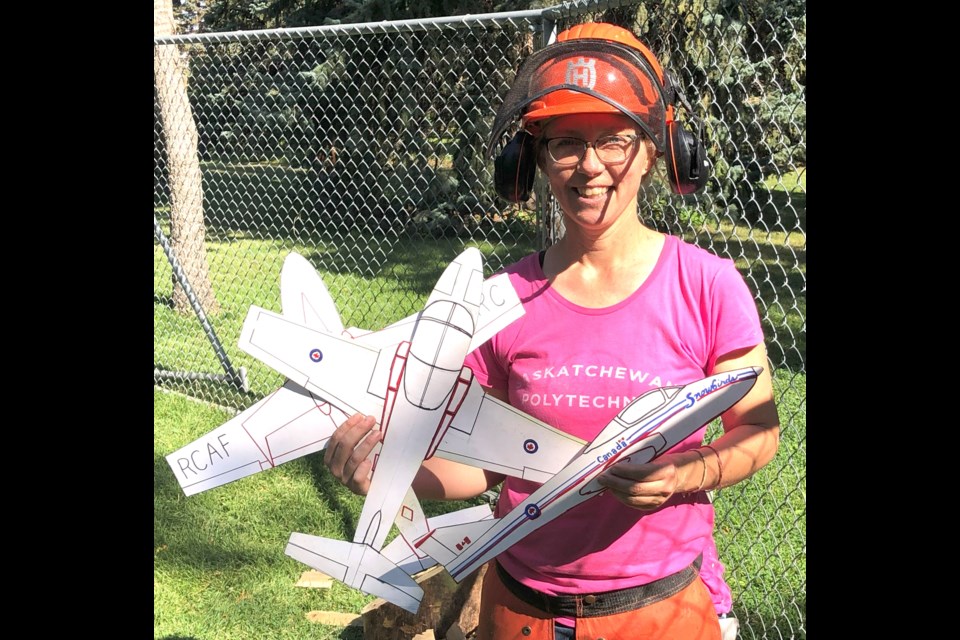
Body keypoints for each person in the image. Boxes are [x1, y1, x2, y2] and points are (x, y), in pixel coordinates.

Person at [323, 22, 779, 640]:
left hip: (663, 606)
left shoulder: (707, 286)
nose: (590, 167)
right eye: (565, 143)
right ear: (532, 162)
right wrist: (387, 473)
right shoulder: (503, 300)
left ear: (656, 150)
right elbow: (483, 468)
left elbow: (756, 430)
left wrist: (686, 473)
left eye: (614, 140)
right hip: (520, 607)